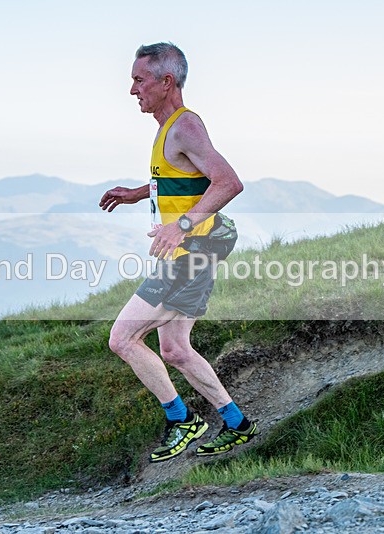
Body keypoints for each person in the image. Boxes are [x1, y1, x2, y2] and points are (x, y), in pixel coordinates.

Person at [99, 42, 259, 463]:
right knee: (174, 350)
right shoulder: (167, 126)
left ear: (166, 81)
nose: (133, 90)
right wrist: (137, 194)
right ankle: (238, 424)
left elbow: (228, 182)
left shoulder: (185, 126)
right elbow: (184, 177)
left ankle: (182, 420)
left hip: (192, 251)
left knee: (123, 338)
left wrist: (181, 224)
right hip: (190, 249)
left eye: (139, 80)